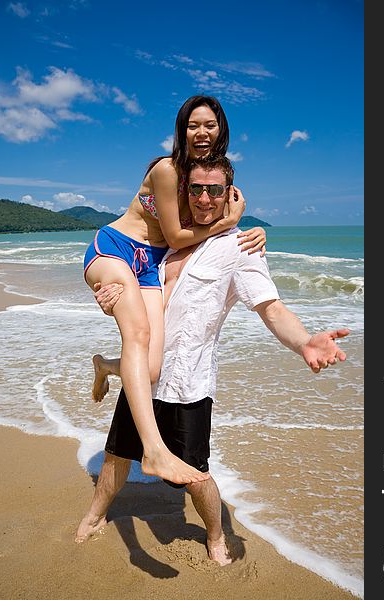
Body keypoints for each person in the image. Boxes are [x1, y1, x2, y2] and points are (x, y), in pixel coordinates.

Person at [76, 156, 349, 565]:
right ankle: (96, 514)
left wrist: (304, 342)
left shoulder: (240, 248)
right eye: (196, 189)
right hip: (144, 378)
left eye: (215, 190)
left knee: (197, 473)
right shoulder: (166, 241)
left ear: (230, 195)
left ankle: (217, 536)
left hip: (188, 383)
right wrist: (106, 298)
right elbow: (128, 285)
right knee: (117, 452)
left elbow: (271, 308)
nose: (205, 198)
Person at [83, 96, 266, 485]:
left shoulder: (208, 179)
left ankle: (105, 366)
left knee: (151, 368)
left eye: (210, 125)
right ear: (181, 130)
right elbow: (178, 235)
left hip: (150, 265)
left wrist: (253, 229)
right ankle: (153, 451)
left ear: (222, 131)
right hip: (116, 249)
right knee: (138, 334)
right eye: (193, 125)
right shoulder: (168, 170)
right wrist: (231, 220)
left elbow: (213, 221)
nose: (201, 132)